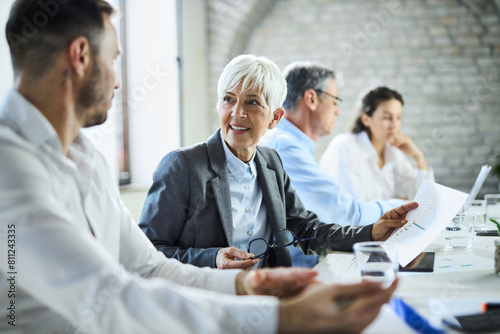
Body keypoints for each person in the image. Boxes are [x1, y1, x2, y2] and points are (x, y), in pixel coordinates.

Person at [0, 1, 402, 333]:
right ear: (81, 56)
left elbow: (147, 266)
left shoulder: (85, 156)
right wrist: (278, 319)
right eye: (115, 59)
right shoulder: (10, 165)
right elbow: (106, 298)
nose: (119, 81)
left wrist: (247, 283)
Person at [139, 54, 417, 271]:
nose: (237, 113)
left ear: (275, 118)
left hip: (268, 295)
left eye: (252, 103)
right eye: (228, 99)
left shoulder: (271, 162)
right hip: (208, 303)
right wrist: (213, 258)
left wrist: (371, 232)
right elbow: (147, 252)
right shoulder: (182, 166)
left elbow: (306, 229)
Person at [260, 62, 406, 267]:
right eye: (335, 101)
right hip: (302, 269)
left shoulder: (293, 145)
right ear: (311, 98)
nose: (338, 111)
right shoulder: (285, 147)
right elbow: (346, 215)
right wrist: (400, 206)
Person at [319, 86, 434, 202]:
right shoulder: (345, 146)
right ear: (366, 119)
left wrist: (417, 157)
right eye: (387, 117)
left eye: (398, 117)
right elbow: (353, 208)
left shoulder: (391, 151)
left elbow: (424, 199)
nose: (394, 125)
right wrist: (399, 204)